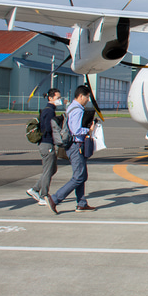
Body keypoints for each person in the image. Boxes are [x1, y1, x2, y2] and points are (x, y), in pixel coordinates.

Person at [45, 85, 97, 213]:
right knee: (79, 176)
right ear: (81, 96)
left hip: (75, 146)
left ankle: (82, 203)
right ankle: (55, 199)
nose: (88, 100)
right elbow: (76, 130)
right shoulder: (77, 110)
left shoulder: (72, 107)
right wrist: (89, 130)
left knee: (82, 175)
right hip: (76, 146)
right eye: (87, 97)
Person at [27, 88, 62, 206]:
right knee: (48, 170)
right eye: (58, 98)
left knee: (52, 169)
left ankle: (35, 189)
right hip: (47, 144)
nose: (59, 100)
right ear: (50, 98)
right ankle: (43, 195)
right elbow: (49, 128)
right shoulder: (49, 112)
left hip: (46, 144)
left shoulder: (48, 110)